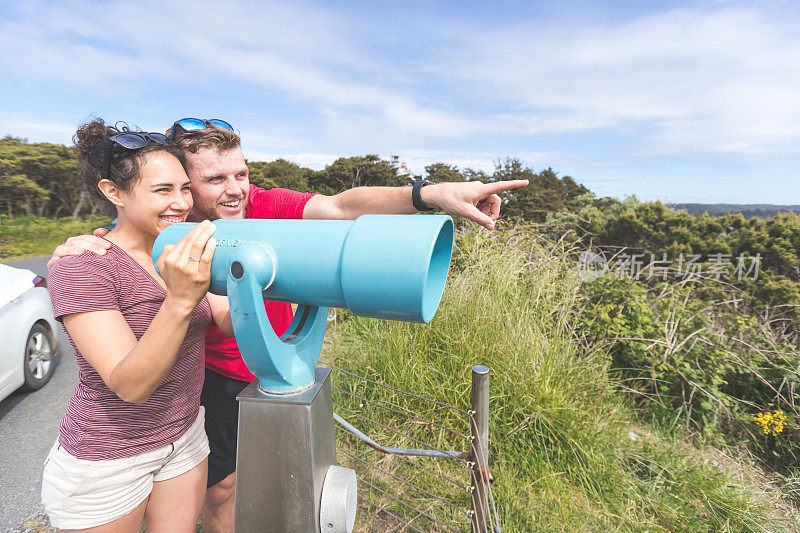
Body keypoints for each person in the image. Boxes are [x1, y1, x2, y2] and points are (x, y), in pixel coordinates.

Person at [48, 117, 529, 532]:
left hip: (192, 419)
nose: (234, 189)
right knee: (221, 492)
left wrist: (433, 195)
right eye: (211, 179)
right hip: (193, 390)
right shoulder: (158, 234)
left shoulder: (258, 204)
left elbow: (342, 206)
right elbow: (129, 357)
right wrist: (104, 246)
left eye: (241, 173)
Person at [43, 120, 234, 532]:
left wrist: (286, 282)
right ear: (114, 192)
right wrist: (180, 299)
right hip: (108, 457)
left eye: (185, 188)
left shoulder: (184, 249)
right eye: (162, 190)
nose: (182, 203)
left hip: (184, 436)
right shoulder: (82, 266)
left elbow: (226, 318)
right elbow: (130, 385)